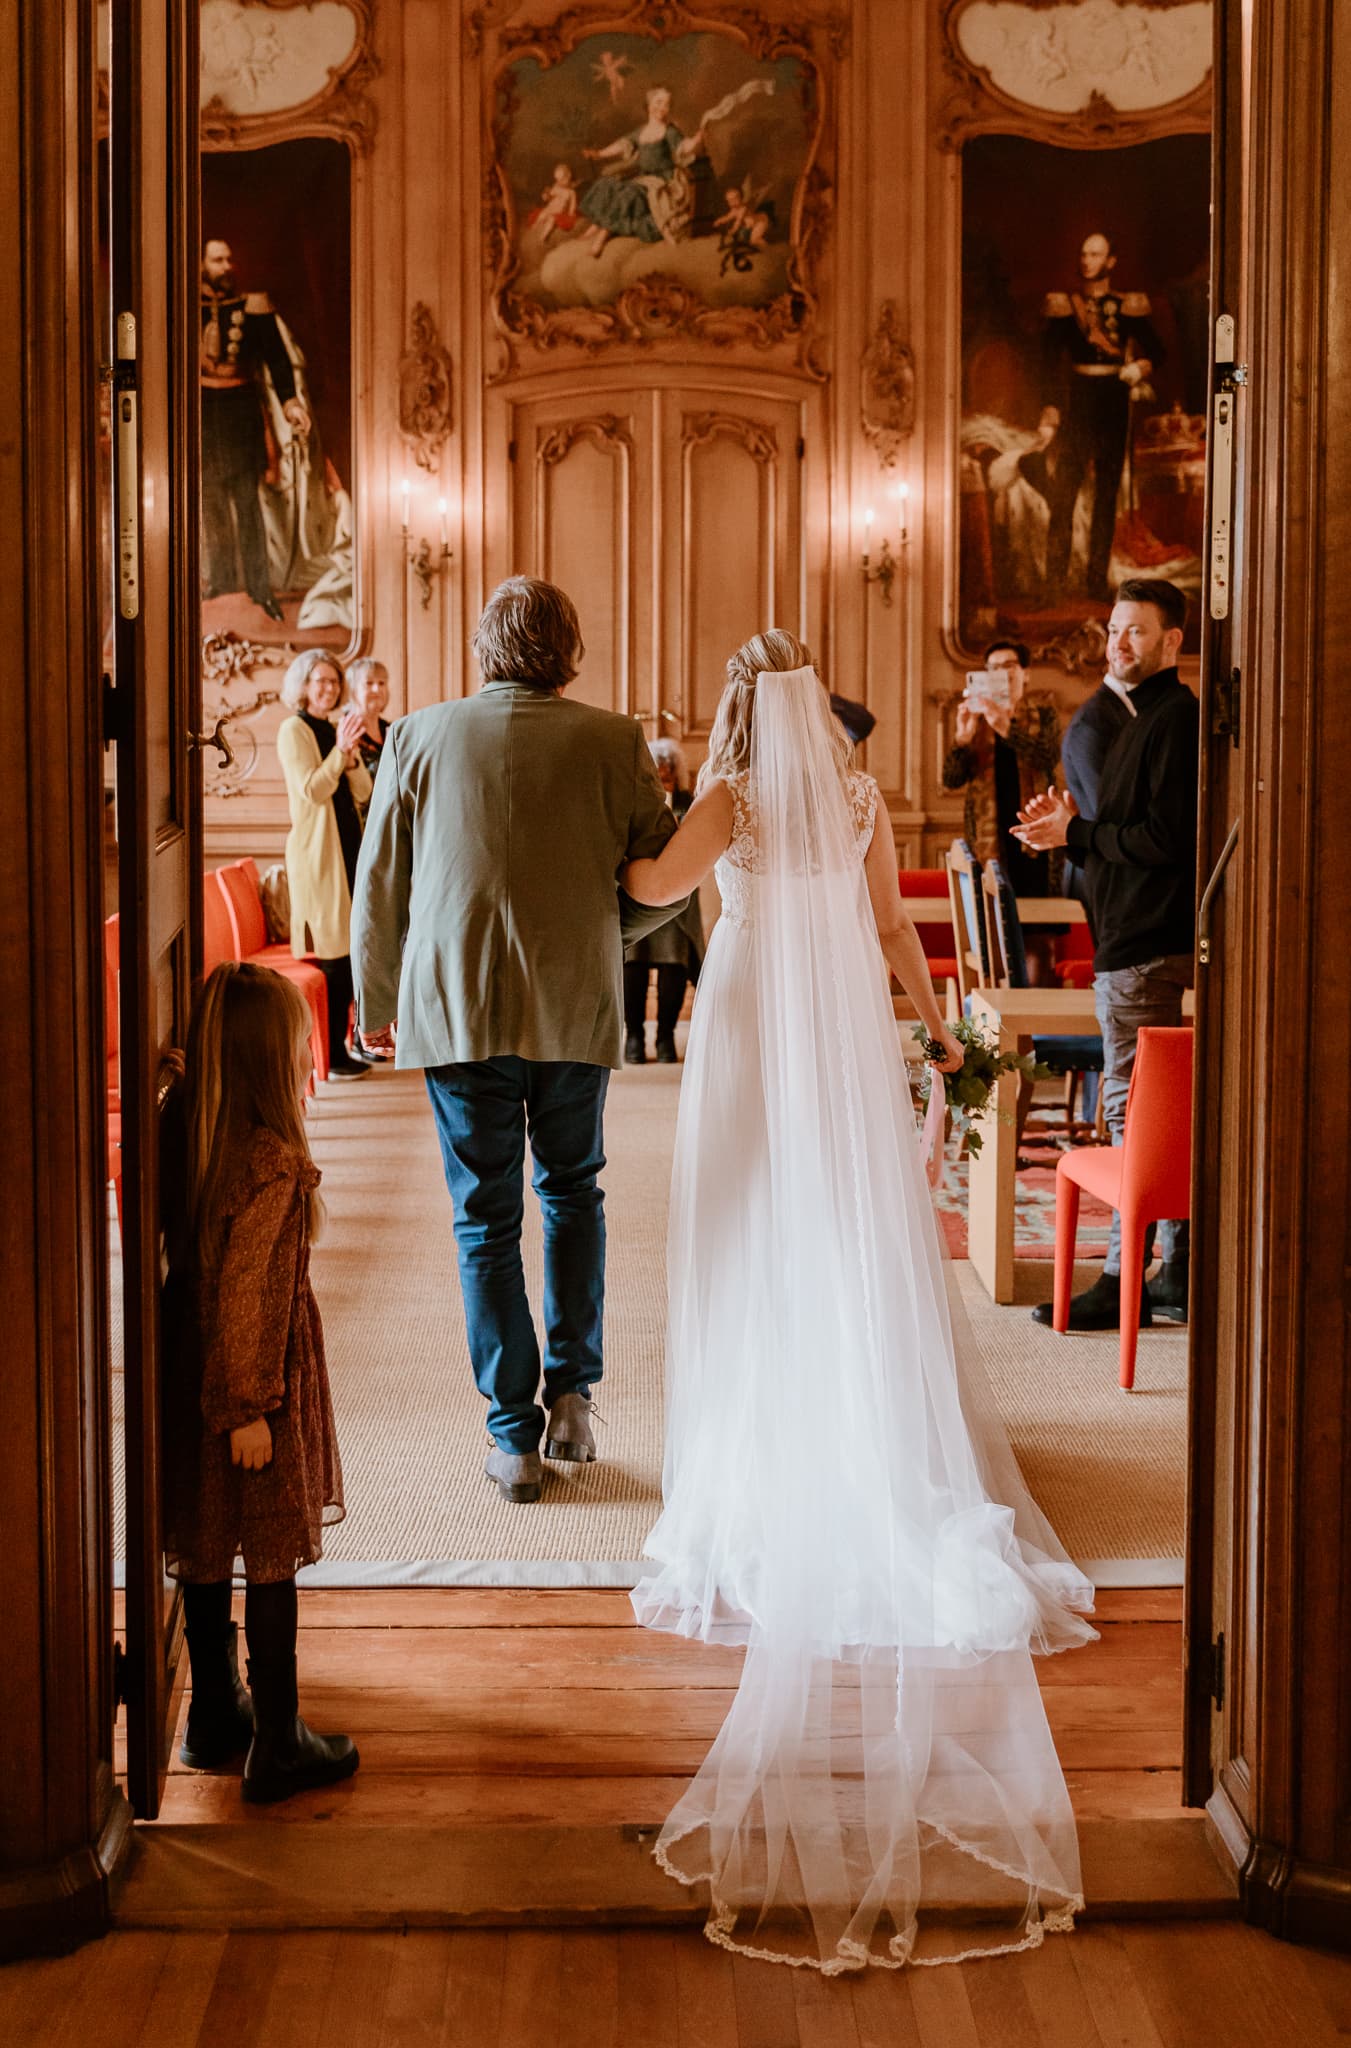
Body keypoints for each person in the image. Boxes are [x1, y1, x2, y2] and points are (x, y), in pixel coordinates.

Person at [617, 628, 1096, 1973]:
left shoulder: (736, 798)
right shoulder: (850, 794)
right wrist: (929, 1020)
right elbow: (891, 922)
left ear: (729, 701)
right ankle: (867, 1437)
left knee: (740, 1244)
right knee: (839, 1237)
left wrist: (628, 822)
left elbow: (652, 880)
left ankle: (748, 1461)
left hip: (745, 1039)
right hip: (830, 1050)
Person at [350, 578, 688, 1505]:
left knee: (483, 1216)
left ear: (481, 645)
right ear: (568, 649)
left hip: (456, 1008)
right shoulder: (616, 739)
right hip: (575, 1004)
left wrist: (373, 995)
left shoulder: (418, 734)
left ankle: (512, 1437)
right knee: (573, 1191)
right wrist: (594, 931)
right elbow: (668, 884)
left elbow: (380, 878)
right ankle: (573, 1395)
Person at [162, 963, 357, 1804]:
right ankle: (276, 1737)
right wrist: (247, 1407)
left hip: (189, 1367)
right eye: (299, 1044)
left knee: (207, 1540)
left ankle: (212, 1713)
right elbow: (249, 1298)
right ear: (266, 1063)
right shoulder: (271, 1163)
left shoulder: (187, 1127)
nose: (308, 1051)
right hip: (252, 1386)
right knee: (270, 1553)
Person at [1013, 577, 1196, 1330]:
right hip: (1133, 937)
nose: (1119, 642)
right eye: (1114, 629)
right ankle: (1173, 1271)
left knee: (1130, 1107)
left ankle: (1124, 1275)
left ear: (1171, 641)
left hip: (1146, 942)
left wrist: (1075, 835)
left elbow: (1164, 840)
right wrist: (1071, 827)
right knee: (1160, 1108)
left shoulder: (1173, 719)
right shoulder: (1140, 718)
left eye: (1136, 630)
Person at [1038, 231, 1164, 602]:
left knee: (1106, 496)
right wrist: (1050, 411)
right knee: (1064, 493)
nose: (1087, 261)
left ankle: (1095, 583)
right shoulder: (1064, 306)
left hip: (1112, 401)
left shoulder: (1128, 306)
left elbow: (1157, 350)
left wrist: (1139, 368)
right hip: (1078, 401)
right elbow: (1047, 364)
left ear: (1111, 262)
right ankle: (1054, 584)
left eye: (1095, 254)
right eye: (1083, 254)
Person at [200, 237, 310, 622]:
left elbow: (278, 359)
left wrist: (290, 402)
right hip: (203, 417)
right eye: (218, 260)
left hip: (240, 411)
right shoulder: (181, 307)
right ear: (201, 264)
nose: (226, 266)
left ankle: (259, 589)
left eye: (229, 259)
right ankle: (220, 587)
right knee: (211, 507)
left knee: (247, 504)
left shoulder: (252, 307)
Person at [277, 650, 372, 1080]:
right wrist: (339, 753)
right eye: (321, 680)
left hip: (348, 852)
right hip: (319, 858)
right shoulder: (293, 730)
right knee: (334, 958)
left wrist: (349, 755)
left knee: (351, 955)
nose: (329, 688)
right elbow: (312, 790)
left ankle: (349, 1044)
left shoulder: (333, 728)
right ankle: (330, 1054)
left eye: (335, 681)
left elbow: (363, 790)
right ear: (303, 684)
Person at [941, 640, 1063, 957]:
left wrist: (1006, 727)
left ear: (1025, 675)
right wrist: (961, 739)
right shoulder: (975, 720)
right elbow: (951, 779)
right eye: (993, 668)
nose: (1001, 674)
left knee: (1038, 936)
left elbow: (1047, 756)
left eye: (1009, 666)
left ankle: (1039, 1004)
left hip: (1035, 838)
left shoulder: (1044, 715)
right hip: (989, 841)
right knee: (992, 933)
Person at [623, 738, 704, 1064]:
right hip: (640, 891)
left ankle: (667, 1037)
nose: (662, 781)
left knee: (674, 964)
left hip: (677, 897)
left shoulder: (691, 803)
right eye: (656, 775)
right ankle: (635, 1037)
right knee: (633, 965)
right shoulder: (633, 802)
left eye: (667, 776)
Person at [579, 85, 705, 255]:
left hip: (662, 181)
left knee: (629, 194)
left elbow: (684, 146)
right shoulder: (641, 131)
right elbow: (621, 144)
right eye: (658, 102)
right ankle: (593, 228)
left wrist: (696, 140)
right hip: (643, 178)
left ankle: (601, 237)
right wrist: (599, 154)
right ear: (649, 104)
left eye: (666, 104)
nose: (662, 107)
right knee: (606, 184)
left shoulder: (669, 131)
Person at [1058, 664, 1134, 920]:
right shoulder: (1093, 723)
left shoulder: (1132, 711)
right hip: (1104, 873)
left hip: (1119, 866)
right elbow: (1108, 811)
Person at [346, 656, 392, 793]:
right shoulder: (345, 732)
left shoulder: (392, 729)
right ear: (353, 690)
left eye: (382, 683)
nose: (377, 689)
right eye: (369, 683)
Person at [527, 164, 580, 244]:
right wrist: (546, 196)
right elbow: (549, 196)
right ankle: (534, 228)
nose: (560, 182)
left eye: (562, 179)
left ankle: (543, 237)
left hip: (559, 213)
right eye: (557, 180)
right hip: (550, 209)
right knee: (543, 214)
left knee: (551, 220)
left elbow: (573, 204)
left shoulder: (571, 193)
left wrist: (571, 213)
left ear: (569, 176)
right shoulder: (556, 187)